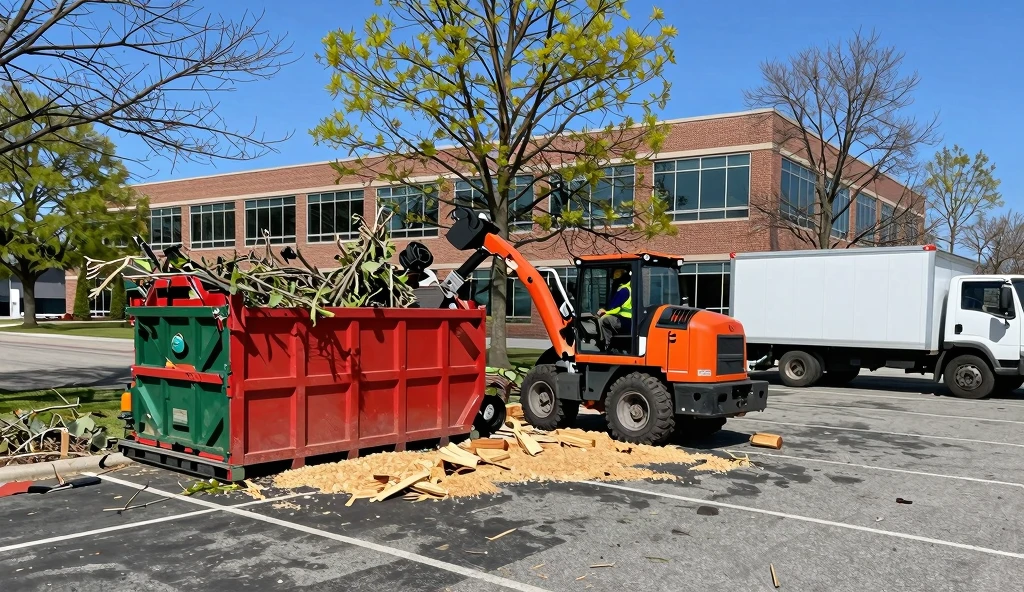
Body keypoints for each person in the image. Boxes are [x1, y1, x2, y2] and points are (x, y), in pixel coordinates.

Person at [597, 268, 632, 349]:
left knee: (603, 320)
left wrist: (606, 312)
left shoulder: (624, 290)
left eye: (614, 279)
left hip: (624, 320)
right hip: (627, 319)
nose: (613, 281)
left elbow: (616, 307)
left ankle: (606, 344)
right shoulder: (628, 288)